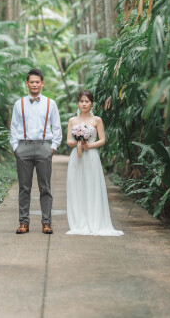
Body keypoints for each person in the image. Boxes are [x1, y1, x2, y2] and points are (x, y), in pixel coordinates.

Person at [9, 68, 62, 234]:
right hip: (23, 146)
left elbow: (57, 126)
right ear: (27, 84)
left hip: (43, 147)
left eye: (37, 82)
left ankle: (46, 222)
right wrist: (15, 148)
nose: (34, 85)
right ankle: (23, 222)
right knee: (24, 187)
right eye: (31, 82)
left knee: (44, 187)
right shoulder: (19, 104)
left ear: (42, 83)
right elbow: (14, 127)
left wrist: (52, 148)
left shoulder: (50, 103)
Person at [65, 90, 123, 236]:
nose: (84, 104)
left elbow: (102, 140)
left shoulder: (97, 120)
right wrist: (77, 141)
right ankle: (78, 222)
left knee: (92, 186)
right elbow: (68, 141)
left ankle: (95, 221)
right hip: (76, 157)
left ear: (91, 104)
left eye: (87, 101)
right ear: (78, 103)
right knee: (77, 186)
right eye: (81, 101)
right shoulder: (72, 120)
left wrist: (88, 146)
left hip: (91, 156)